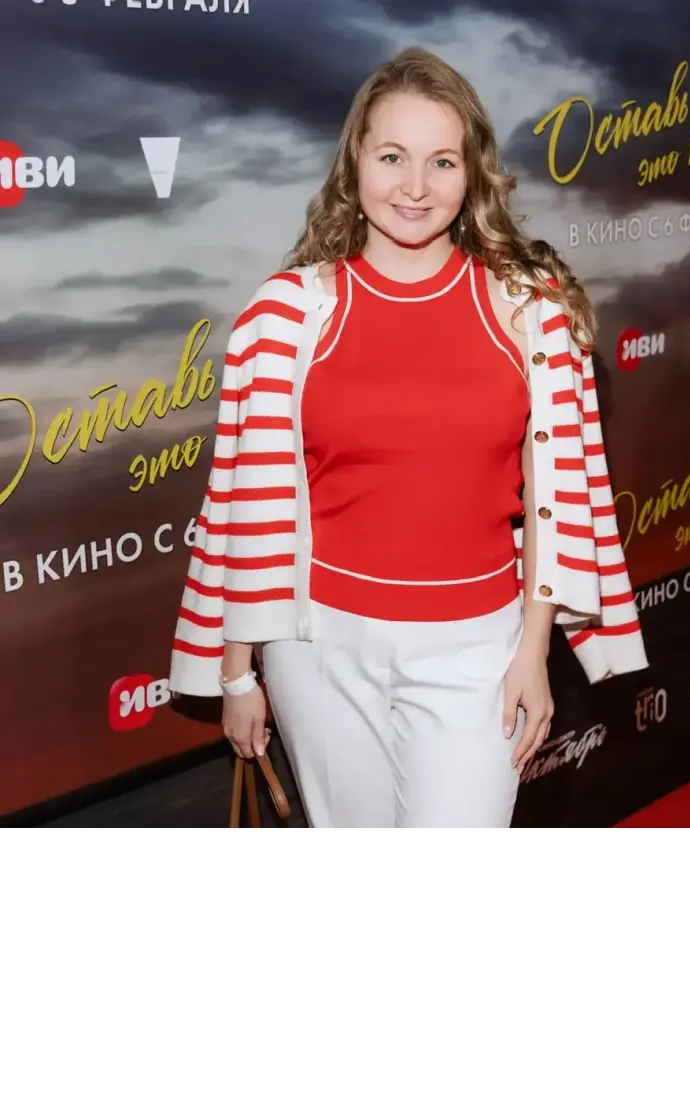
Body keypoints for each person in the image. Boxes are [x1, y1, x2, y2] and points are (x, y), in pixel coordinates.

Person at [168, 47, 648, 828]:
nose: (416, 187)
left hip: (478, 649)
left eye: (442, 161)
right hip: (318, 650)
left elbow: (555, 501)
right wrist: (236, 675)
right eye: (392, 157)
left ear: (473, 172)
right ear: (354, 162)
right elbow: (242, 508)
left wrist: (534, 652)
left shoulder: (529, 312)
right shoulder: (287, 314)